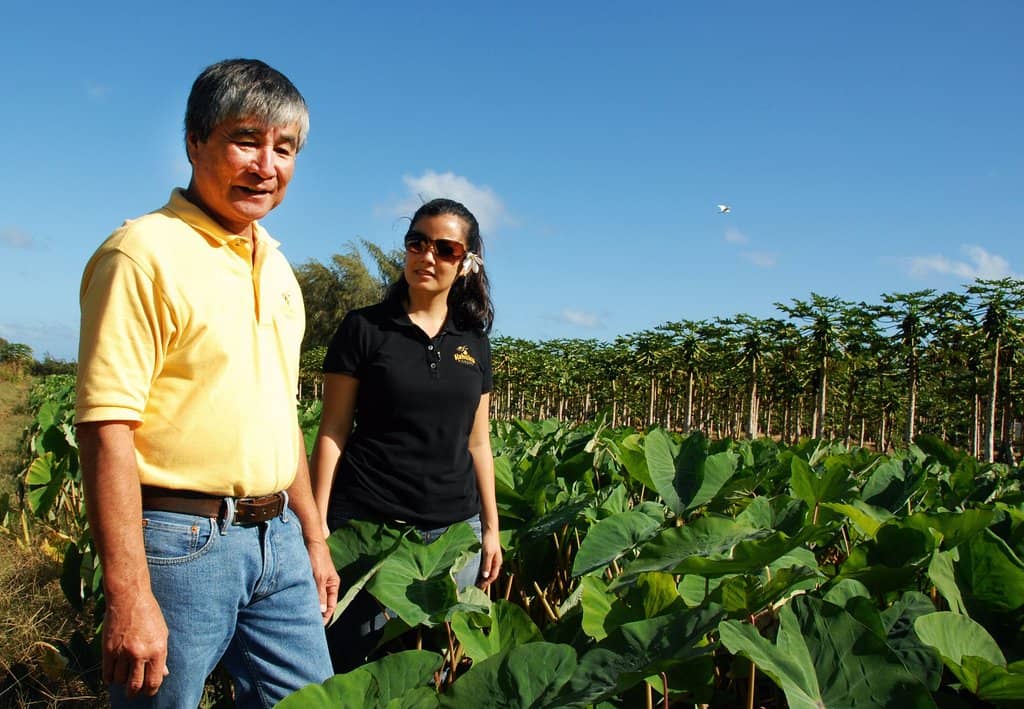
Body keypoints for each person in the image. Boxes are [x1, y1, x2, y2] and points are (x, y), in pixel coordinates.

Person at [74, 58, 335, 707]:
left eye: (284, 148)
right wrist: (130, 593)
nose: (265, 166)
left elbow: (282, 416)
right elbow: (106, 425)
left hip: (279, 541)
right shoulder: (142, 252)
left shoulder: (277, 267)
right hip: (179, 541)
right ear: (195, 141)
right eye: (246, 140)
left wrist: (314, 539)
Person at [310, 198, 502, 671]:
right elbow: (332, 431)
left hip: (453, 531)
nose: (427, 255)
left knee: (440, 665)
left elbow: (479, 442)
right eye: (417, 242)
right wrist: (315, 527)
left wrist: (492, 529)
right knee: (346, 663)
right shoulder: (364, 328)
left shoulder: (474, 340)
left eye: (445, 248)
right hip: (369, 527)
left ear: (467, 262)